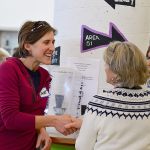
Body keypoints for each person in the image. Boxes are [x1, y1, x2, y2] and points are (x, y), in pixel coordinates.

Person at [0, 21, 76, 150]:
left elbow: (33, 113)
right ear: (28, 46)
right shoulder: (9, 69)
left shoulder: (44, 75)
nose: (52, 48)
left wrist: (41, 130)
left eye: (53, 42)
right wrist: (53, 121)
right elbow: (11, 119)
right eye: (46, 42)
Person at [66, 41, 150, 150]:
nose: (105, 68)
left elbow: (83, 147)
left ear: (116, 70)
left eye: (106, 63)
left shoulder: (99, 103)